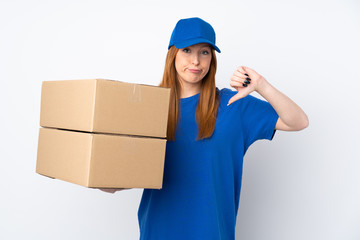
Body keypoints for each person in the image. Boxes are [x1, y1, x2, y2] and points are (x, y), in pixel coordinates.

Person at [103, 17, 309, 240]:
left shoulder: (234, 106)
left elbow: (298, 121)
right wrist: (102, 180)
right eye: (187, 50)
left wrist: (261, 85)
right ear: (173, 54)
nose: (196, 61)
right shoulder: (149, 108)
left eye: (204, 52)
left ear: (212, 58)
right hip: (158, 231)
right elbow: (122, 177)